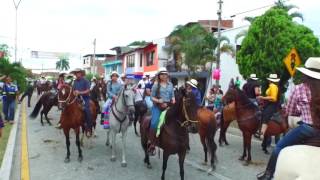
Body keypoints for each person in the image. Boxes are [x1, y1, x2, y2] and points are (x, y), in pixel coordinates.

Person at [257, 57, 320, 180]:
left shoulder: (300, 88)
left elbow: (290, 111)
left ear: (306, 74)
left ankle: (268, 174)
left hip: (307, 128)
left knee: (279, 147)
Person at [149, 67, 175, 154]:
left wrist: (173, 99)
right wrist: (158, 101)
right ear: (159, 75)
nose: (164, 76)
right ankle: (152, 143)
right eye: (162, 74)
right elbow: (151, 97)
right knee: (154, 123)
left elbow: (172, 95)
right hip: (158, 107)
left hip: (168, 106)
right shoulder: (156, 85)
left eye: (165, 74)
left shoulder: (170, 84)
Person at [258, 74, 281, 139]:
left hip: (272, 104)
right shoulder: (273, 86)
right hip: (270, 104)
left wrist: (263, 97)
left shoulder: (272, 86)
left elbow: (274, 98)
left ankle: (262, 133)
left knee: (266, 115)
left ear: (270, 80)